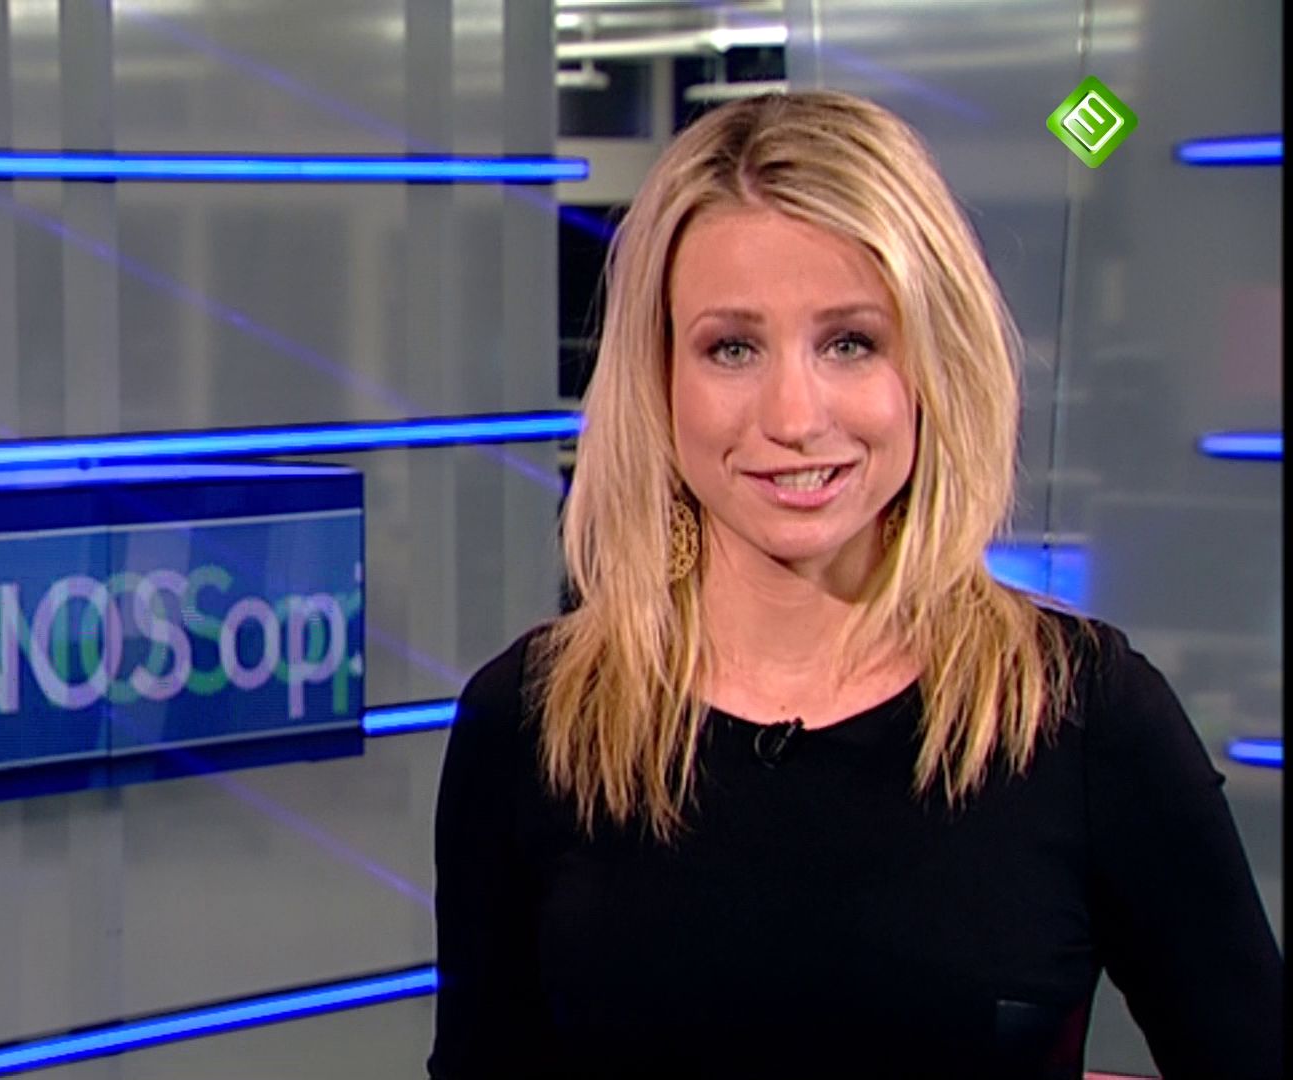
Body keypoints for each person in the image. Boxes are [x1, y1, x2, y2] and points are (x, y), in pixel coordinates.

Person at [428, 90, 1283, 1079]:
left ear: (933, 366)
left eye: (850, 343)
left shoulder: (1085, 717)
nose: (794, 416)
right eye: (732, 347)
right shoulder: (530, 723)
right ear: (657, 380)